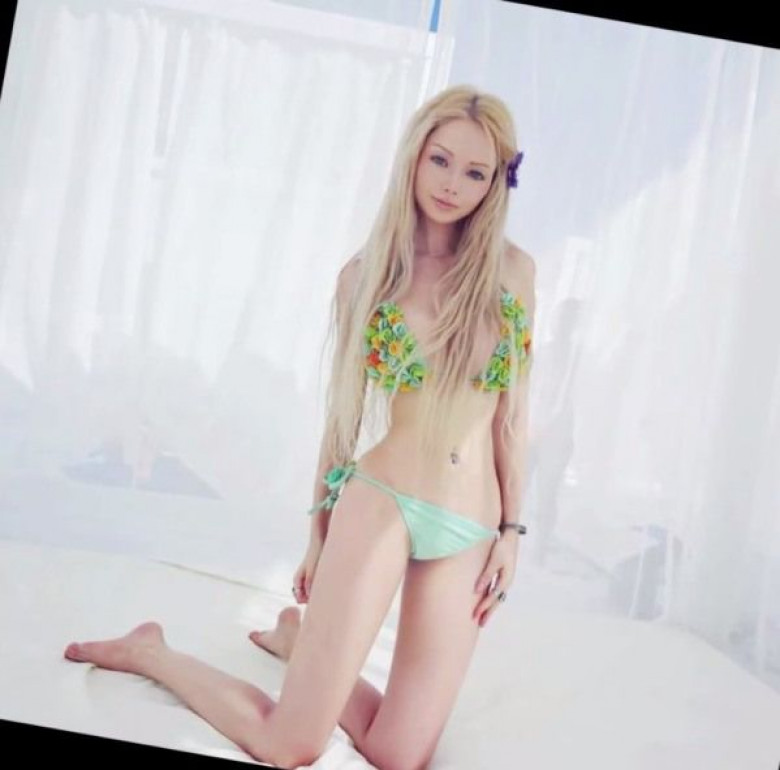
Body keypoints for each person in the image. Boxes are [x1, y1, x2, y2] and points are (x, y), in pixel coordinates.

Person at [63, 85, 536, 770]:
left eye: (475, 172)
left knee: (399, 758)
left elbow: (513, 418)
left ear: (495, 184)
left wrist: (512, 534)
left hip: (470, 526)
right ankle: (152, 652)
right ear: (414, 155)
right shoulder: (365, 278)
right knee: (291, 745)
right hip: (383, 502)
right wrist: (318, 535)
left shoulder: (512, 274)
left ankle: (297, 644)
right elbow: (343, 419)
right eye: (440, 160)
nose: (451, 185)